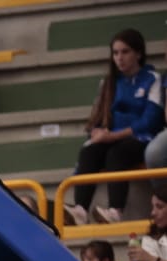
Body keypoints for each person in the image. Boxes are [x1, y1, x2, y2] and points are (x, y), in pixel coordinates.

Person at [64, 29, 164, 226]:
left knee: (117, 154)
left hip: (141, 139)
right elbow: (98, 118)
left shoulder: (153, 79)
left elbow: (151, 121)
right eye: (115, 53)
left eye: (125, 52)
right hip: (112, 137)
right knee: (90, 151)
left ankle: (115, 211)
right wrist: (96, 132)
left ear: (138, 53)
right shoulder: (108, 83)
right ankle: (80, 210)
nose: (120, 58)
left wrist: (114, 136)